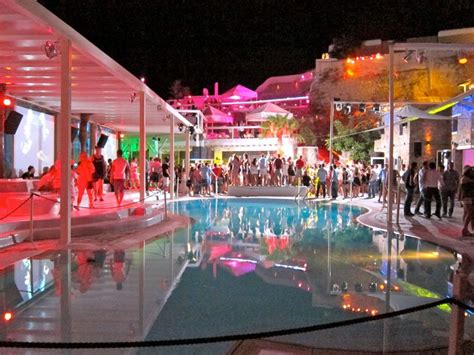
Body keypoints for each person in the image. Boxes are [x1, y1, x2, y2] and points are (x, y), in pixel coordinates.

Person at [459, 166, 474, 237]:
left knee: (467, 213)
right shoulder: (464, 179)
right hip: (467, 198)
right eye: (470, 170)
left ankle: (466, 230)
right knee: (470, 213)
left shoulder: (468, 178)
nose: (472, 171)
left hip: (468, 197)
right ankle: (465, 229)